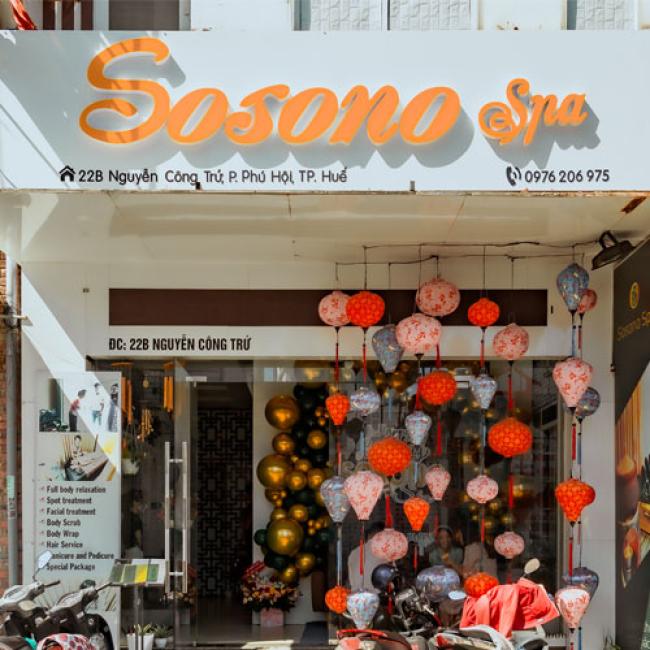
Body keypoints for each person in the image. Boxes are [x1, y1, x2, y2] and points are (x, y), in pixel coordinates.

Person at [347, 522, 385, 592]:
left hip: (356, 595)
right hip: (376, 596)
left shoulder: (353, 553)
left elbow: (352, 581)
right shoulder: (384, 552)